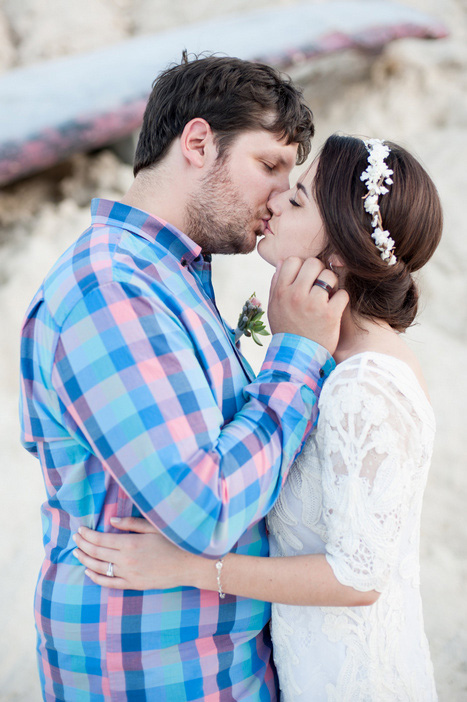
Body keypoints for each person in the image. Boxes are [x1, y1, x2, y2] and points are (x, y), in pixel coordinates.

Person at [19, 55, 349, 701]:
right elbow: (207, 509)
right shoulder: (108, 291)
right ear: (197, 143)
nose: (282, 195)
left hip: (214, 662)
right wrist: (296, 353)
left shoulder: (168, 279)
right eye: (268, 166)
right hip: (152, 672)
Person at [74, 134, 443, 701]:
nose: (274, 201)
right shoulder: (327, 355)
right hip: (300, 665)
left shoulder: (366, 382)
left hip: (351, 680)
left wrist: (190, 566)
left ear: (339, 254)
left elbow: (360, 576)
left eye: (296, 200)